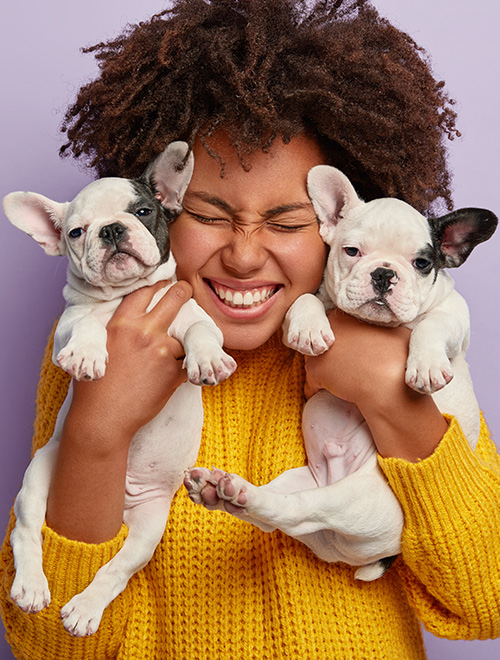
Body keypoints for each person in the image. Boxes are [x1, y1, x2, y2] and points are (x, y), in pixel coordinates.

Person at [1, 0, 499, 658]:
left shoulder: (410, 340)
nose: (242, 253)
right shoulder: (100, 340)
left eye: (288, 223)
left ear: (337, 220)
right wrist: (96, 433)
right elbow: (50, 645)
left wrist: (390, 398)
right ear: (163, 206)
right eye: (209, 213)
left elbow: (485, 600)